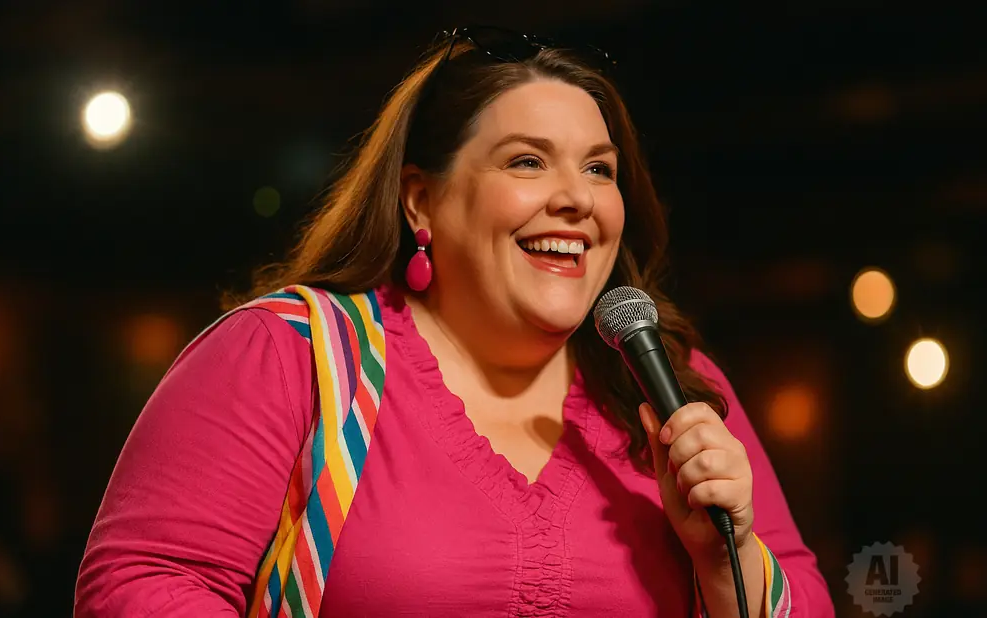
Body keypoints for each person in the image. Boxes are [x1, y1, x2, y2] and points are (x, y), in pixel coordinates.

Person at [74, 26, 835, 617]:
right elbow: (142, 585)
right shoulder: (293, 354)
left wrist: (725, 559)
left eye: (599, 168)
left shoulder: (672, 385)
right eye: (527, 161)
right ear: (421, 201)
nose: (577, 198)